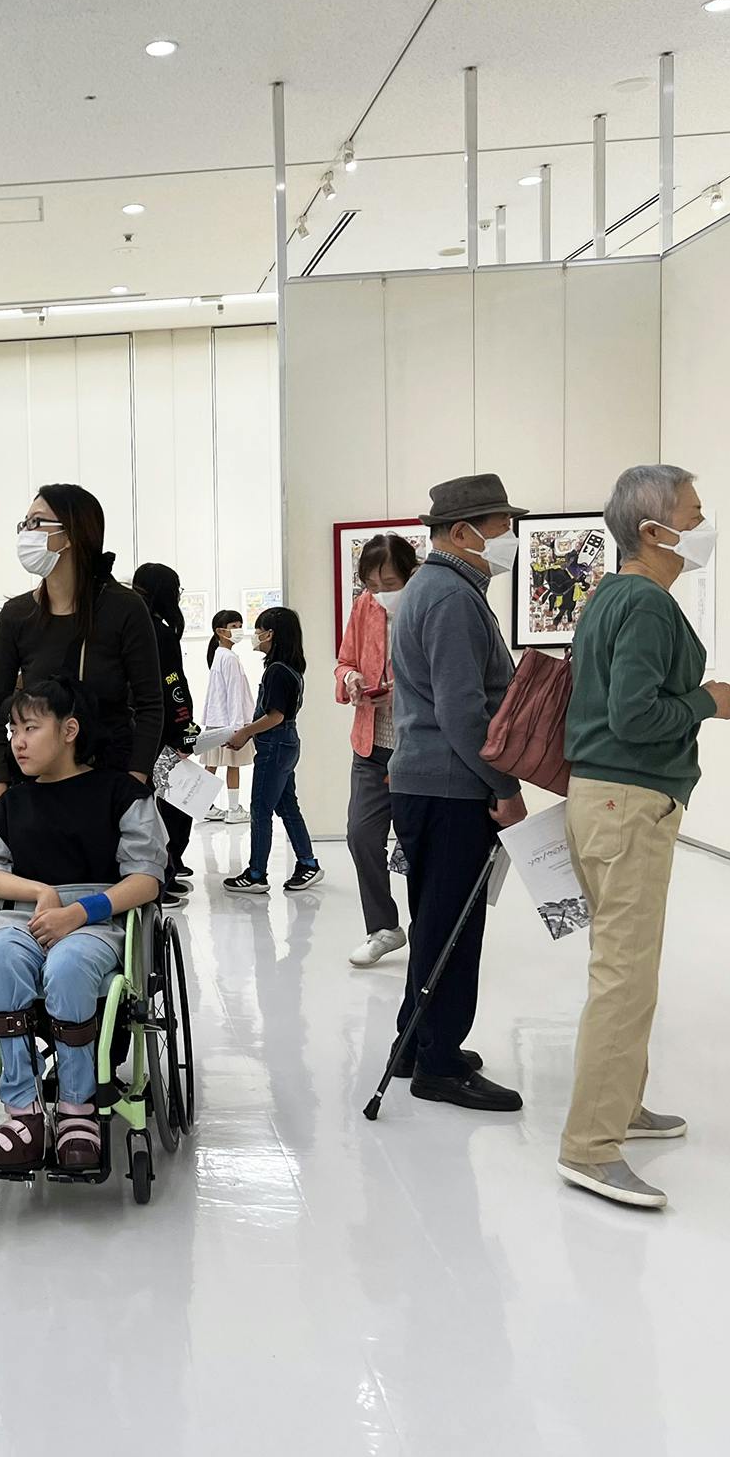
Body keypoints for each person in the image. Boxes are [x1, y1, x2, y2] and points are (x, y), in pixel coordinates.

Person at [556, 465, 730, 1210]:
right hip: (626, 803)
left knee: (626, 967)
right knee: (625, 976)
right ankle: (591, 1148)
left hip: (606, 801)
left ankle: (622, 1104)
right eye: (694, 516)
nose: (703, 526)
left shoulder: (613, 595)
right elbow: (634, 717)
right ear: (654, 530)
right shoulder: (647, 605)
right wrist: (707, 701)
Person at [0, 675, 167, 1173]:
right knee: (0, 956)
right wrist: (40, 892)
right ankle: (24, 1114)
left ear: (69, 730)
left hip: (98, 920)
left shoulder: (121, 794)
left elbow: (146, 878)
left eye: (31, 728)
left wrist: (79, 912)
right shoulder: (9, 805)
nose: (18, 741)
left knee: (70, 965)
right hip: (25, 915)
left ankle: (78, 1107)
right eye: (13, 730)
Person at [388, 473, 530, 1112]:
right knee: (453, 926)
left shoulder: (440, 587)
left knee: (434, 919)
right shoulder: (450, 596)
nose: (509, 537)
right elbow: (463, 711)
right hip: (452, 785)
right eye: (502, 526)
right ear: (464, 531)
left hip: (433, 780)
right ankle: (439, 1064)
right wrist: (503, 785)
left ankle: (415, 1041)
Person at [0, 484, 162, 801]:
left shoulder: (124, 608)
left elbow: (150, 704)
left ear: (72, 533)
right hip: (39, 789)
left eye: (36, 522)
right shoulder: (16, 615)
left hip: (111, 782)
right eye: (24, 524)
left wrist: (133, 783)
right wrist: (0, 788)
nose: (26, 533)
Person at [336, 535, 419, 965]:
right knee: (361, 835)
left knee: (419, 843)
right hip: (370, 746)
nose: (380, 592)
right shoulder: (363, 608)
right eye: (371, 584)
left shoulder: (427, 605)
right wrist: (350, 680)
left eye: (389, 583)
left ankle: (428, 928)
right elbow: (344, 662)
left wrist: (399, 693)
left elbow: (441, 679)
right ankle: (384, 927)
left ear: (409, 574)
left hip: (418, 747)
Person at [221, 607, 321, 895]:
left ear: (271, 634)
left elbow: (275, 716)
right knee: (287, 805)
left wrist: (245, 733)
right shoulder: (291, 668)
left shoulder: (277, 670)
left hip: (275, 745)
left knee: (260, 808)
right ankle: (308, 863)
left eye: (259, 630)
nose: (255, 636)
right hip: (286, 743)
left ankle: (256, 874)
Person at [132, 562, 197, 908]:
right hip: (161, 732)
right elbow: (173, 686)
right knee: (173, 808)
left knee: (147, 808)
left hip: (134, 730)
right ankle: (160, 880)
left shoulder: (131, 625)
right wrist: (185, 732)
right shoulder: (159, 632)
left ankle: (160, 877)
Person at [201, 609, 251, 822]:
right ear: (221, 631)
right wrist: (238, 726)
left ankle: (204, 805)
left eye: (240, 625)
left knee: (212, 764)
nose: (238, 630)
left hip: (217, 721)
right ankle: (233, 809)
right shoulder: (229, 658)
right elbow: (234, 693)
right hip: (229, 722)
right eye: (233, 626)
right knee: (233, 764)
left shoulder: (220, 655)